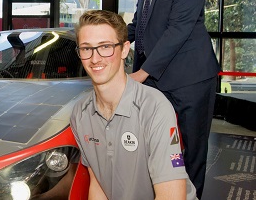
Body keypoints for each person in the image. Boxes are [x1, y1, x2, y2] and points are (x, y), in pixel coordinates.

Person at [126, 0, 219, 197]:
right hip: (156, 79)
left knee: (192, 146)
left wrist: (143, 72)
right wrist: (112, 39)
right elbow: (138, 27)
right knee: (154, 141)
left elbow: (178, 30)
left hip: (190, 78)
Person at [70, 10, 197, 199]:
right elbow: (98, 184)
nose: (95, 58)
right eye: (86, 48)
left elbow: (171, 196)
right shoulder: (80, 114)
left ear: (124, 49)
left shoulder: (154, 108)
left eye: (105, 47)